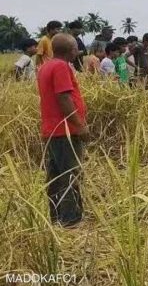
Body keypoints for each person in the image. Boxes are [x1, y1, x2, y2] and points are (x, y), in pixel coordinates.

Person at [37, 33, 88, 227]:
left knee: (56, 175)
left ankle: (56, 216)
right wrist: (79, 125)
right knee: (70, 174)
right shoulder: (60, 67)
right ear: (71, 50)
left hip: (51, 130)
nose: (78, 50)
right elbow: (64, 98)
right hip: (64, 130)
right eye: (76, 47)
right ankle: (71, 219)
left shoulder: (46, 66)